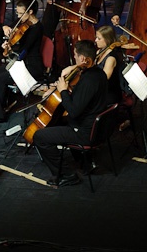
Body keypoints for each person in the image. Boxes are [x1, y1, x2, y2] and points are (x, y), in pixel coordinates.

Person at [32, 39, 108, 186]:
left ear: (83, 59)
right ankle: (85, 162)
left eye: (75, 55)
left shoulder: (88, 81)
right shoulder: (98, 73)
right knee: (55, 119)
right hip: (95, 126)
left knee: (39, 136)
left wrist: (63, 91)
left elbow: (73, 112)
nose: (74, 58)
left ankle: (67, 174)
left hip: (83, 132)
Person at [0, 0, 45, 126]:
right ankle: (5, 104)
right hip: (21, 62)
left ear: (30, 12)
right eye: (18, 13)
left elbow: (24, 49)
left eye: (21, 13)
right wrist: (5, 28)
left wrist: (10, 46)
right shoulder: (22, 22)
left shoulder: (37, 28)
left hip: (31, 65)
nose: (19, 16)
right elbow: (9, 27)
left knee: (0, 78)